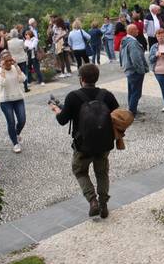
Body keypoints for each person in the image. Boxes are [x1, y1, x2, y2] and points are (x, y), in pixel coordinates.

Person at [51, 64, 119, 218]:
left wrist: (56, 110)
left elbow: (62, 120)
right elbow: (118, 115)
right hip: (104, 143)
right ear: (96, 78)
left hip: (83, 145)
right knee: (102, 173)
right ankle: (103, 204)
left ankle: (92, 200)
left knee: (80, 171)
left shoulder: (73, 96)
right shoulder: (106, 95)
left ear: (81, 79)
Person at [0, 50, 27, 153]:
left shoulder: (15, 68)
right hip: (6, 101)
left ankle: (16, 134)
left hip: (18, 98)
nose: (9, 62)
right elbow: (2, 83)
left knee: (22, 120)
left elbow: (23, 79)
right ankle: (15, 143)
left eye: (10, 60)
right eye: (6, 61)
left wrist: (17, 66)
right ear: (2, 61)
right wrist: (3, 69)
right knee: (11, 122)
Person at [120, 24, 149, 116]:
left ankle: (132, 110)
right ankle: (132, 114)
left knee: (132, 92)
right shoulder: (132, 42)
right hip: (135, 71)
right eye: (136, 29)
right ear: (131, 31)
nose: (138, 31)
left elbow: (121, 56)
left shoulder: (125, 41)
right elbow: (136, 58)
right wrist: (141, 70)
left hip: (129, 70)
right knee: (136, 93)